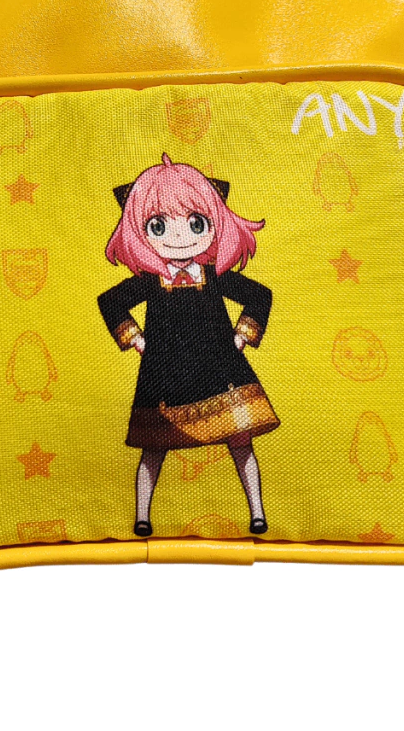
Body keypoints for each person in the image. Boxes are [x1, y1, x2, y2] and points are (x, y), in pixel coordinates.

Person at [98, 153, 278, 537]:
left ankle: (258, 513)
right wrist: (136, 339)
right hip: (164, 374)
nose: (180, 237)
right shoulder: (150, 280)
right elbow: (110, 301)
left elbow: (259, 295)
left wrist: (242, 336)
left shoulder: (214, 274)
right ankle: (142, 517)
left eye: (196, 223)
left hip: (221, 370)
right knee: (154, 447)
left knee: (241, 441)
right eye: (158, 225)